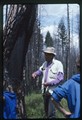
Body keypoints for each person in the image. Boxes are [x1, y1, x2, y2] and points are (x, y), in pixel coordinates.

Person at [32, 47, 64, 118]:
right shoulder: (44, 64)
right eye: (45, 54)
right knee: (46, 112)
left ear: (52, 55)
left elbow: (60, 78)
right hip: (45, 92)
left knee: (51, 114)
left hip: (53, 92)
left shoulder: (58, 64)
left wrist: (49, 83)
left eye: (48, 54)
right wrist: (35, 74)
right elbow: (40, 71)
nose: (46, 56)